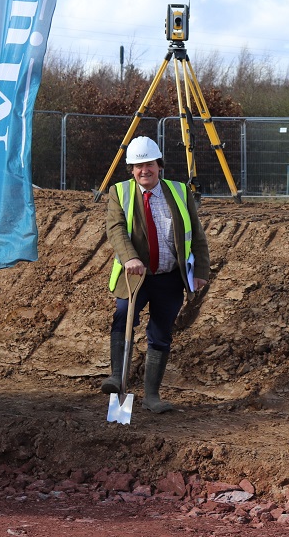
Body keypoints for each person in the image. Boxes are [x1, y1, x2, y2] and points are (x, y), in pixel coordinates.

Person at [102, 135, 210, 413]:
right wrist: (130, 258)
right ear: (132, 169)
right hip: (135, 275)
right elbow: (115, 229)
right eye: (138, 166)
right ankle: (117, 378)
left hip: (170, 276)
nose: (143, 171)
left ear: (159, 165)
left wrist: (199, 271)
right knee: (123, 316)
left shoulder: (179, 192)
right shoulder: (119, 192)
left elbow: (196, 234)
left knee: (161, 333)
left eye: (148, 164)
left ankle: (152, 396)